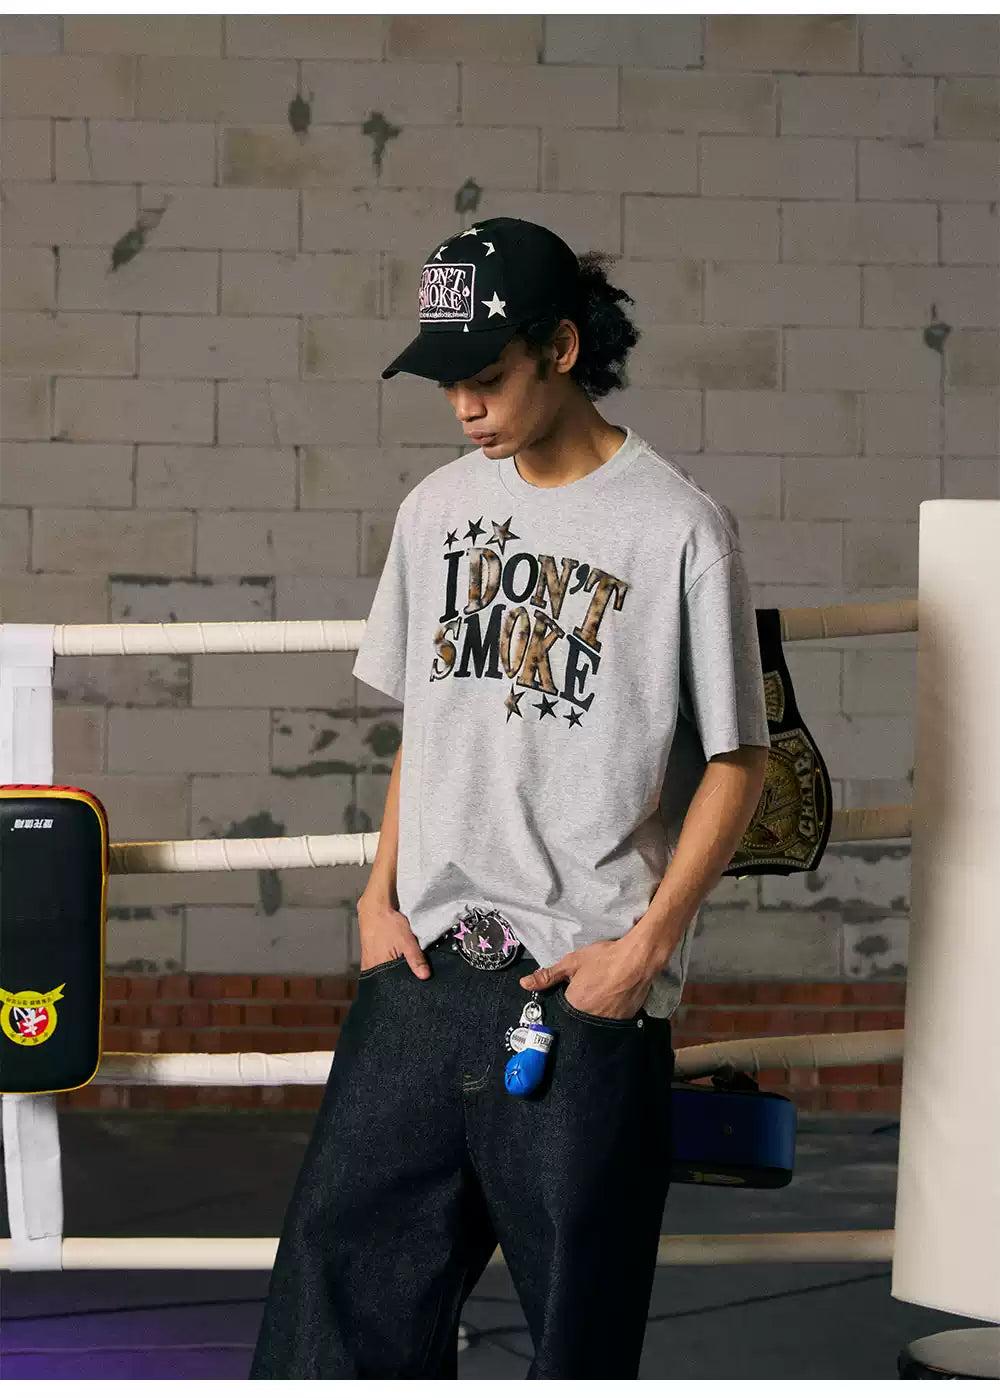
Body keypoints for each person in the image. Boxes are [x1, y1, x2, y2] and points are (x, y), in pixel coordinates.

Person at [249, 216, 771, 1380]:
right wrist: (376, 900)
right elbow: (427, 726)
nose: (464, 408)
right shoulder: (434, 510)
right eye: (446, 383)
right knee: (332, 1308)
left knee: (577, 1333)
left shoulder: (678, 528)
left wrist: (643, 955)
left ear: (562, 349)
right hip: (422, 969)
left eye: (485, 376)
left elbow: (741, 762)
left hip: (580, 986)